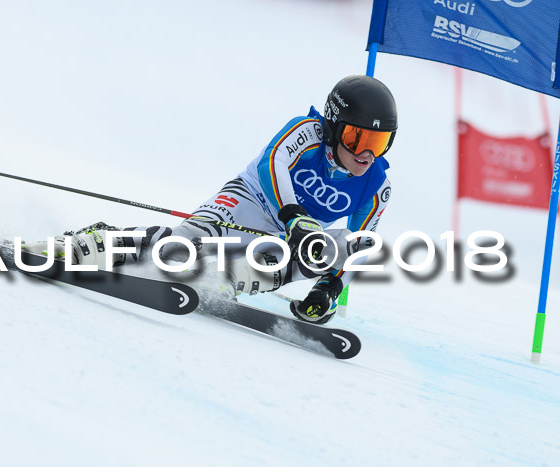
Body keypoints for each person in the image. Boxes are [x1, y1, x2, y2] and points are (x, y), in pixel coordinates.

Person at [23, 75, 397, 325]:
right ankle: (95, 244)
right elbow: (272, 164)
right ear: (333, 127)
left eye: (378, 144)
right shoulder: (307, 132)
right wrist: (294, 216)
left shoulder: (376, 187)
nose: (366, 154)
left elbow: (357, 244)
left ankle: (228, 278)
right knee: (182, 248)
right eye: (357, 139)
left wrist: (330, 287)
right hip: (251, 200)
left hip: (290, 237)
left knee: (347, 244)